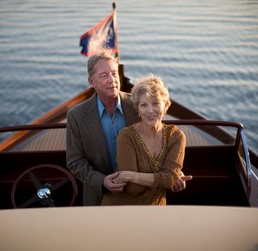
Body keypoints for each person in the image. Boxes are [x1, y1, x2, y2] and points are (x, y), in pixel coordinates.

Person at [66, 50, 190, 206]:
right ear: (92, 81)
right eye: (104, 76)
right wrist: (102, 181)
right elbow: (75, 161)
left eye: (114, 73)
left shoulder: (138, 104)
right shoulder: (76, 116)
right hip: (99, 196)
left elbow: (157, 138)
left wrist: (172, 173)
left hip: (144, 196)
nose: (112, 80)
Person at [101, 75, 186, 205]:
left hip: (156, 209)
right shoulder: (126, 136)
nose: (150, 110)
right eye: (144, 105)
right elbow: (134, 188)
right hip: (121, 208)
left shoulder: (176, 136)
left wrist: (130, 176)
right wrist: (166, 178)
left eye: (156, 103)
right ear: (138, 109)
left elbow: (169, 179)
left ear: (166, 106)